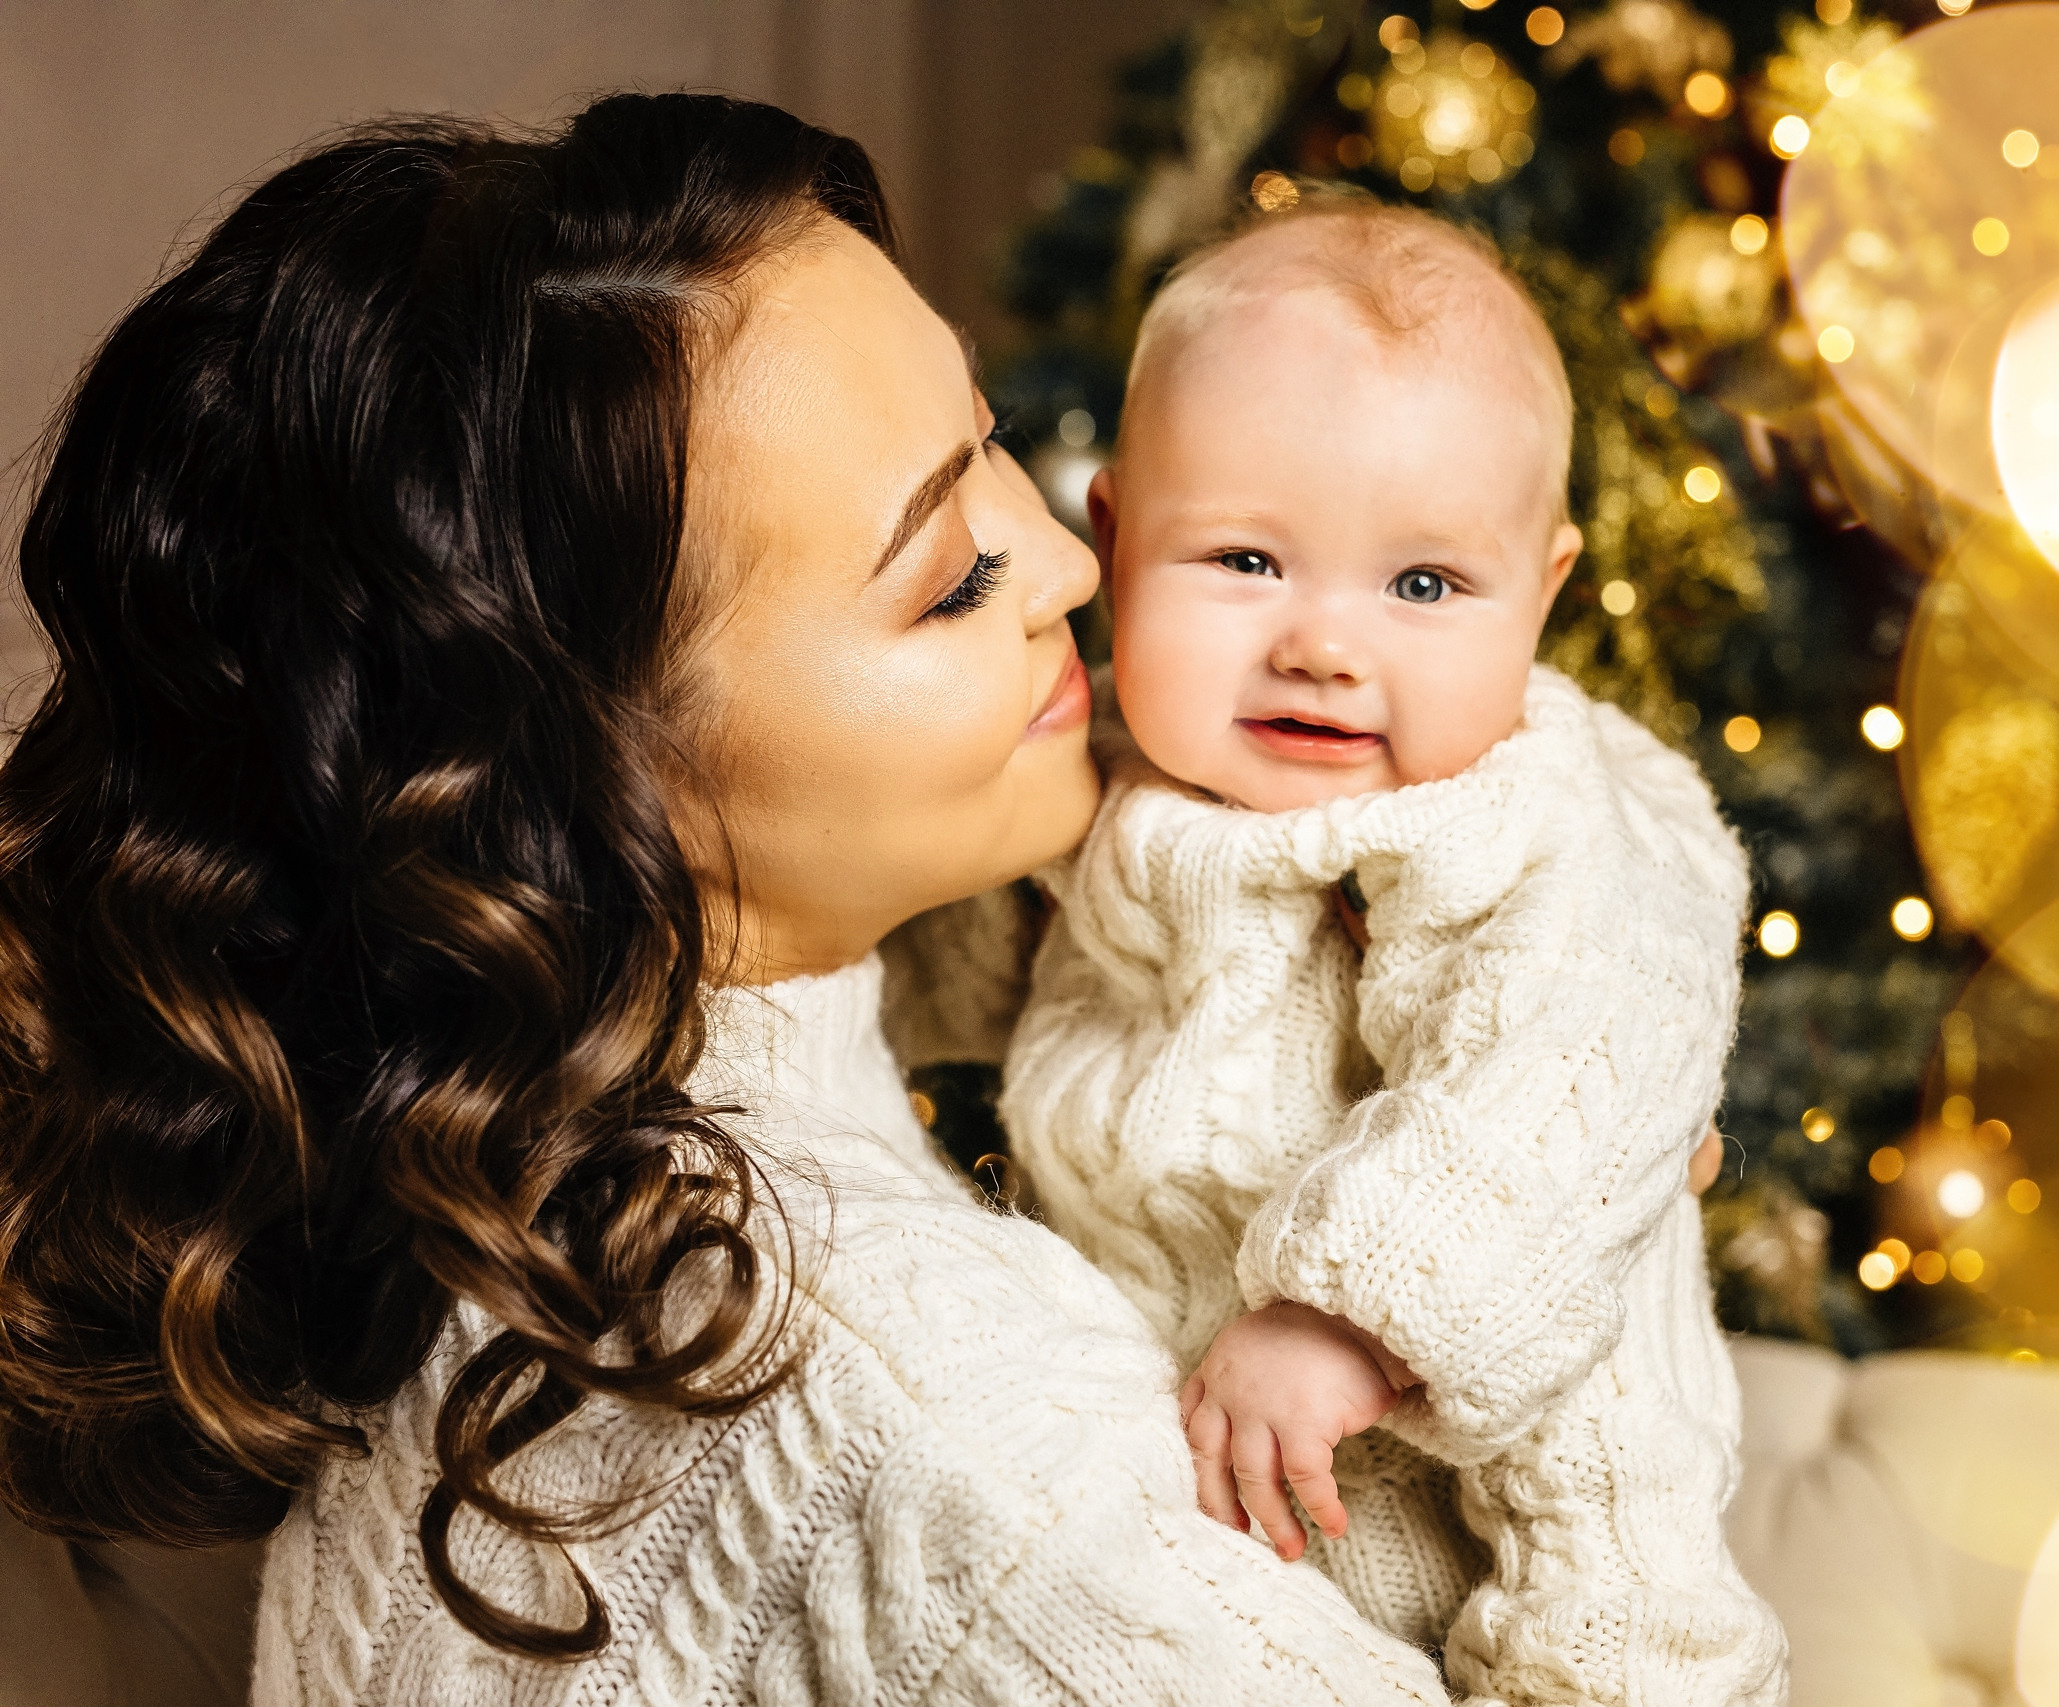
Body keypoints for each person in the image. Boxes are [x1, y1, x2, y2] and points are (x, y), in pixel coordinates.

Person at [0, 95, 1450, 1706]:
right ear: (600, 782)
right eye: (947, 580)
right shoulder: (913, 1392)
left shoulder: (498, 1191)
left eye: (991, 449)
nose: (1062, 567)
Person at [992, 199, 1788, 1705]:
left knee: (1614, 1602)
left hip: (1513, 1453)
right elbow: (945, 951)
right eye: (1242, 560)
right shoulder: (1099, 784)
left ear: (1543, 595)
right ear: (1113, 537)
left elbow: (1581, 1054)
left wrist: (1348, 1313)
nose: (1326, 646)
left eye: (1424, 586)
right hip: (1196, 1501)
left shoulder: (1529, 817)